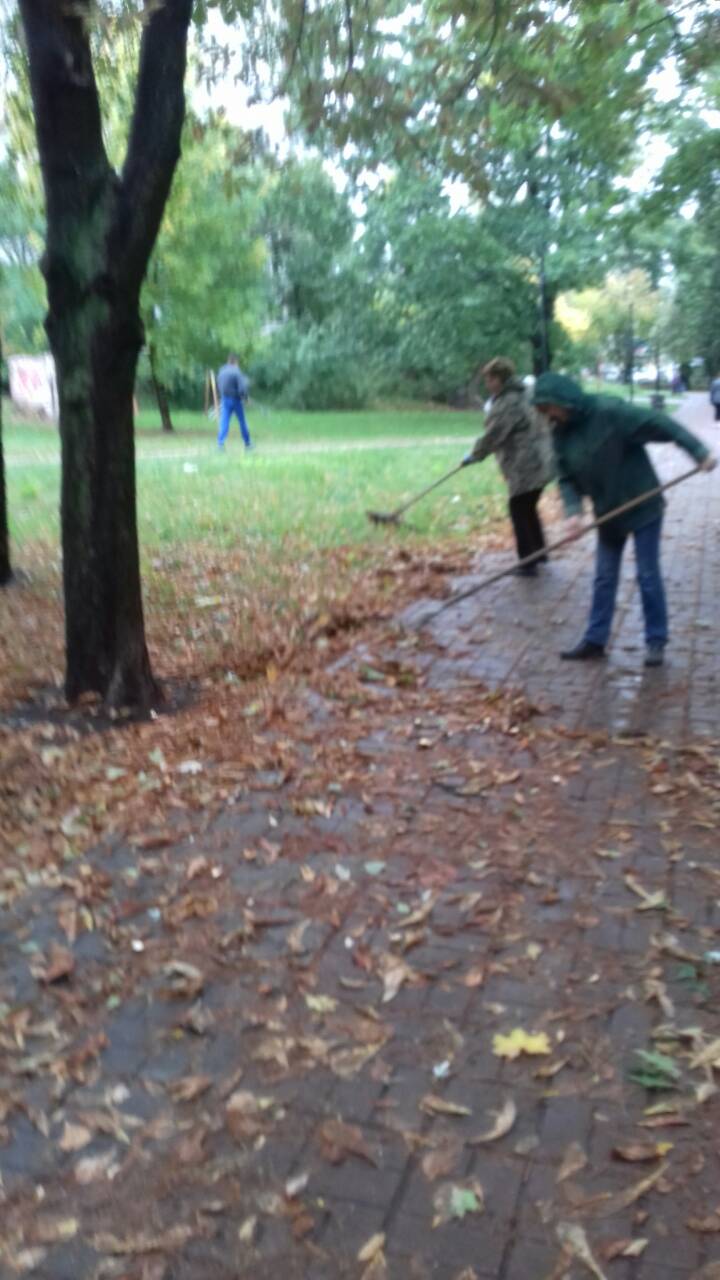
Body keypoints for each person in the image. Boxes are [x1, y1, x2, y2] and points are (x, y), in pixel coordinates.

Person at [533, 372, 716, 667]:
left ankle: (655, 640)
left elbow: (660, 422)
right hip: (608, 512)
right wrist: (574, 512)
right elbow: (565, 477)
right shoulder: (561, 433)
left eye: (548, 408)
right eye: (543, 411)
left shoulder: (609, 412)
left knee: (647, 574)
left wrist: (698, 452)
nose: (548, 416)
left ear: (563, 400)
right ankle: (595, 640)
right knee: (604, 577)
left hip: (641, 504)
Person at [462, 357, 554, 576]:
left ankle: (528, 563)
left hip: (525, 464)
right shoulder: (525, 392)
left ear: (499, 379)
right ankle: (539, 553)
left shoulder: (507, 402)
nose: (487, 384)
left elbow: (494, 434)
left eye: (489, 379)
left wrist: (474, 455)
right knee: (527, 507)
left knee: (518, 508)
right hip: (541, 460)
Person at [216, 354, 252, 451]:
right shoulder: (237, 372)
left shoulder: (222, 371)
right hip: (236, 400)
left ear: (228, 361)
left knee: (224, 421)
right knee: (242, 422)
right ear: (236, 361)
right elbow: (242, 388)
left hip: (225, 399)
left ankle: (220, 444)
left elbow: (219, 384)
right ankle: (248, 443)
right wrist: (246, 398)